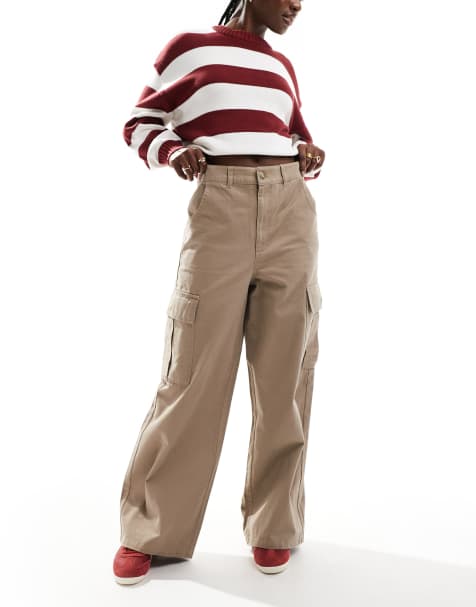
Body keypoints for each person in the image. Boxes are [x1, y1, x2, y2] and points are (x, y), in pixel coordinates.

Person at [113, 0, 325, 585]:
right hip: (220, 208)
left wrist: (307, 154)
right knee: (190, 374)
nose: (297, 5)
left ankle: (274, 526)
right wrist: (174, 151)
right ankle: (151, 529)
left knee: (286, 375)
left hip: (290, 210)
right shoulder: (189, 48)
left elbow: (295, 138)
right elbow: (139, 122)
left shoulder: (281, 66)